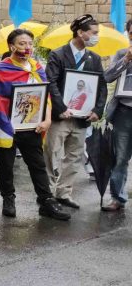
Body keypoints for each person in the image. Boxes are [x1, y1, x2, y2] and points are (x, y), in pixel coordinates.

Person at [0, 29, 70, 220]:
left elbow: (45, 95)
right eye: (22, 43)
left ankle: (46, 201)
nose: (27, 47)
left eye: (30, 43)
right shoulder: (2, 69)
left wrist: (47, 120)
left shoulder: (37, 67)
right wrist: (5, 124)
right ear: (12, 46)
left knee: (37, 165)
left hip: (32, 126)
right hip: (8, 126)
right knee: (5, 164)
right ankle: (8, 198)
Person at [44, 14, 107, 210]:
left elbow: (101, 86)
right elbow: (51, 82)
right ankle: (47, 193)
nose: (96, 37)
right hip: (61, 117)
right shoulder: (58, 55)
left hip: (82, 118)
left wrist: (97, 110)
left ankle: (64, 192)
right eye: (94, 33)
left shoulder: (94, 59)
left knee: (74, 156)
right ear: (80, 33)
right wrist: (61, 108)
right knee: (52, 153)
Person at [100, 19, 132, 211]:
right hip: (124, 113)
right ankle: (117, 197)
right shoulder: (122, 54)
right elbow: (107, 76)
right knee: (120, 158)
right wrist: (126, 60)